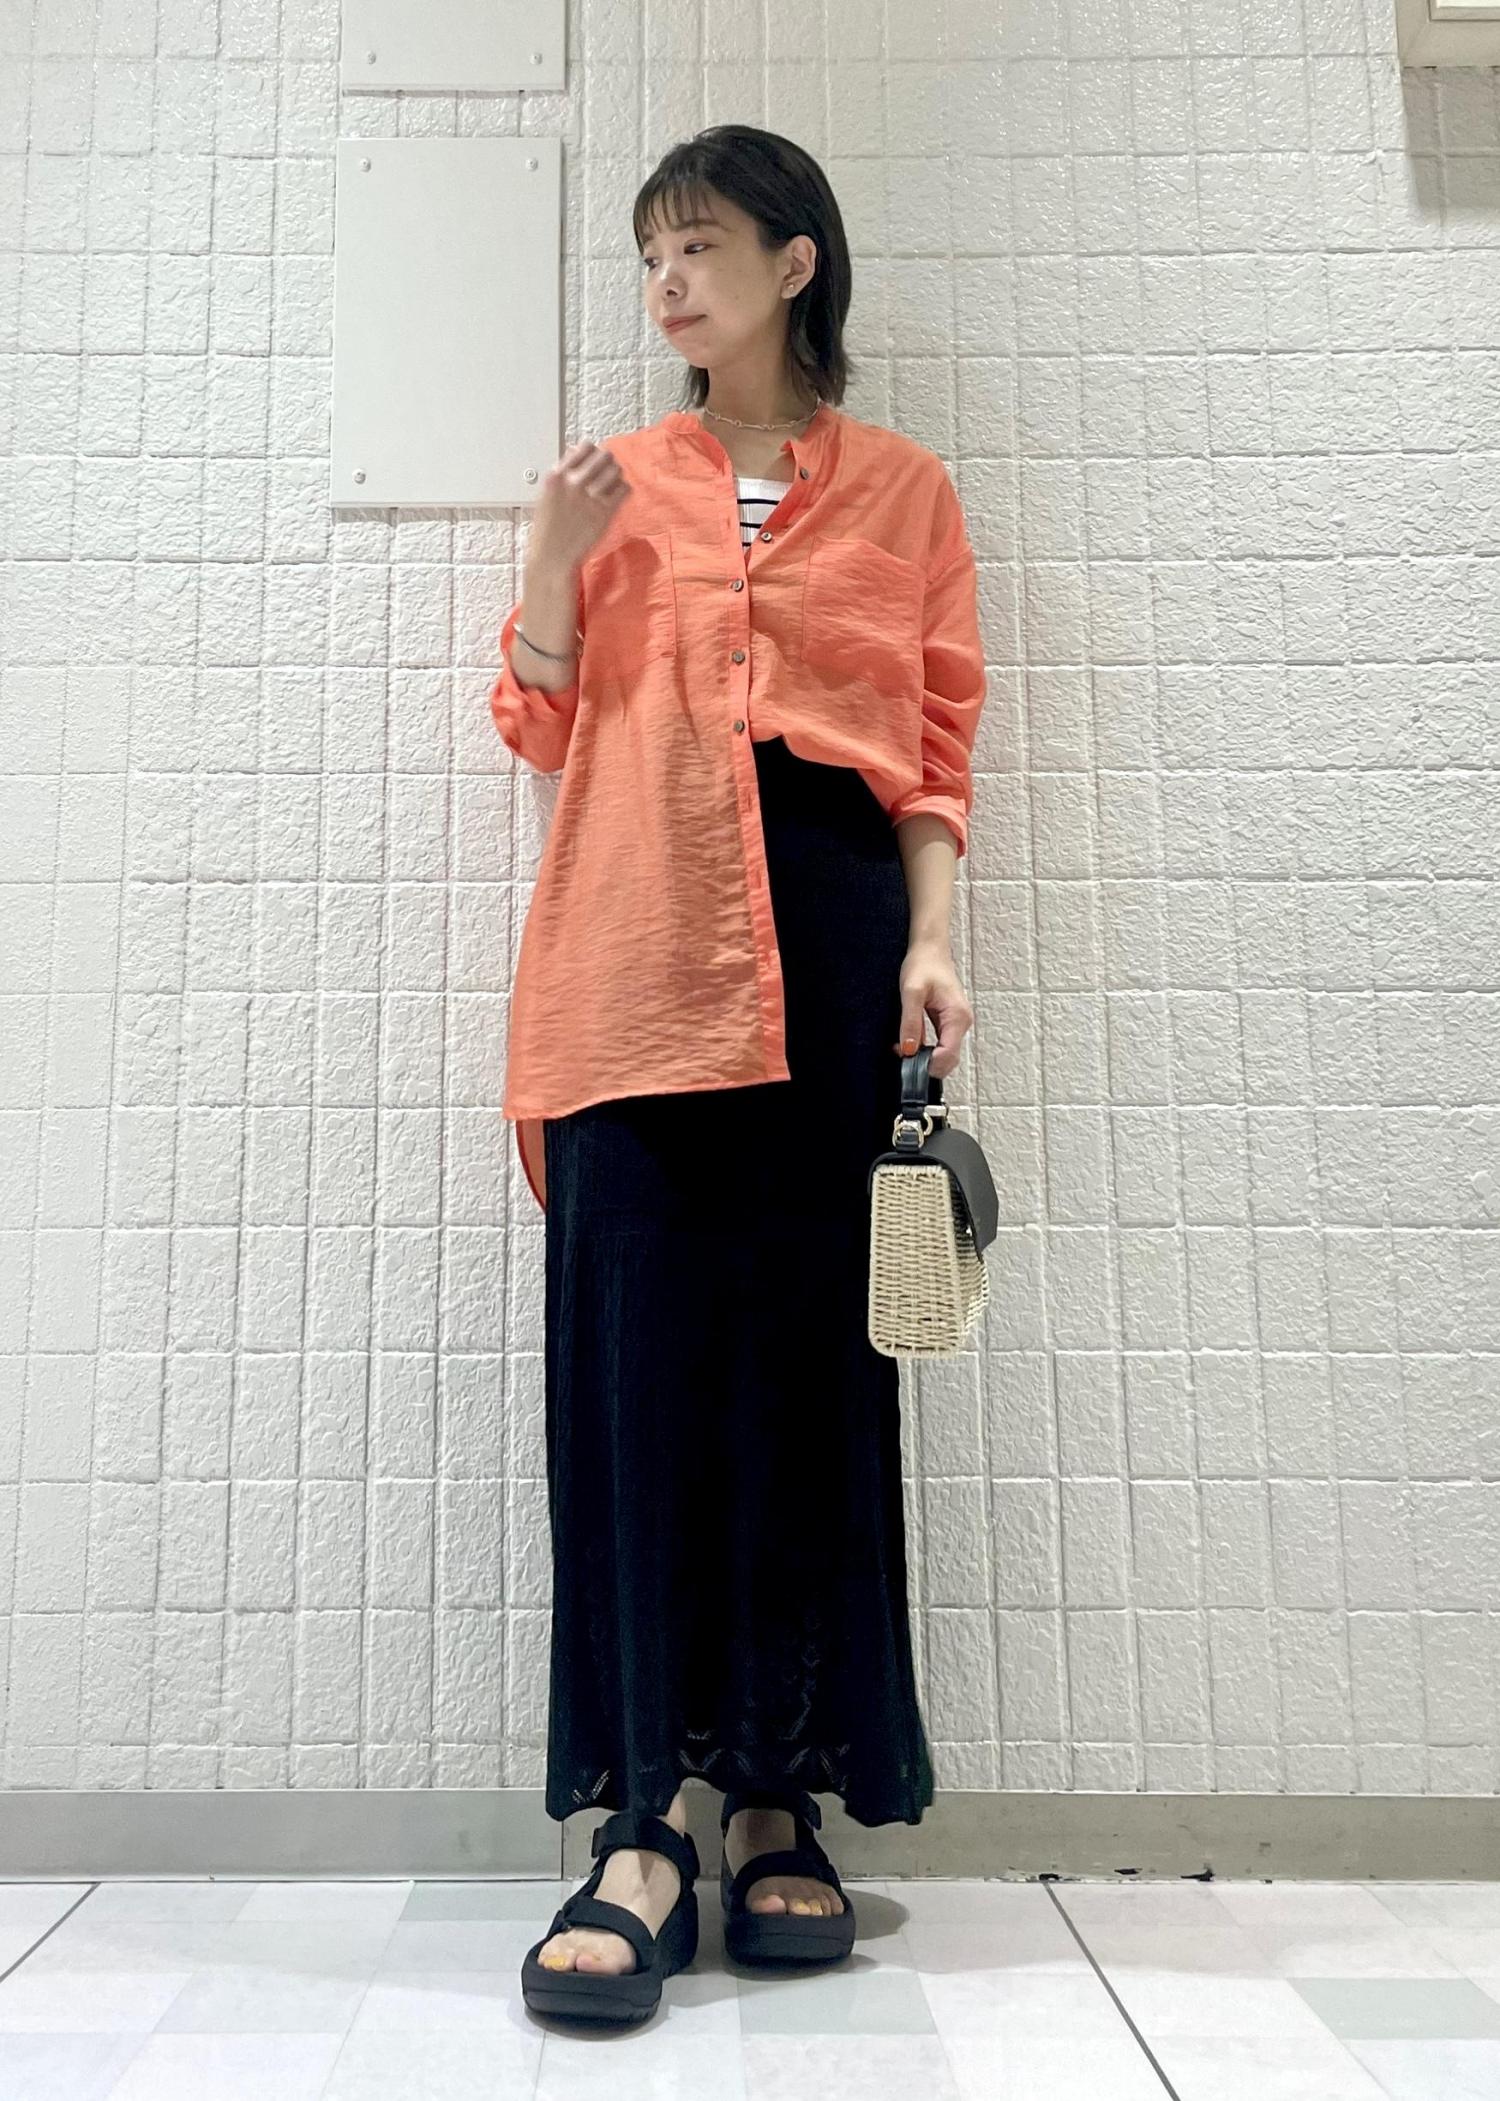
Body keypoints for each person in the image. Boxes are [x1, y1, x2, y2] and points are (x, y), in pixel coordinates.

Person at [496, 126, 985, 2023]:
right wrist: (552, 566)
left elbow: (932, 742)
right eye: (650, 257)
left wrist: (934, 939)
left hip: (839, 951)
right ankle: (642, 1822)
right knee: (634, 1379)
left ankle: (781, 1797)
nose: (667, 284)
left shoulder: (909, 493)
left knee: (807, 1377)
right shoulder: (619, 486)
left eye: (698, 247)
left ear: (795, 263)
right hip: (636, 954)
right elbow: (537, 720)